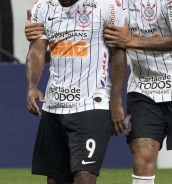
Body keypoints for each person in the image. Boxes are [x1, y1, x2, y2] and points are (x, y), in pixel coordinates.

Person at [25, 0, 172, 183]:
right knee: (142, 165)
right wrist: (36, 24)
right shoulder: (112, 3)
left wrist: (132, 41)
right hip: (143, 89)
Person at [25, 0, 127, 183]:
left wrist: (116, 101)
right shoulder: (42, 7)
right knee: (55, 179)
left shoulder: (106, 6)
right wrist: (32, 87)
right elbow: (36, 51)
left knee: (85, 176)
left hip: (92, 104)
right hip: (55, 105)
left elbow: (118, 53)